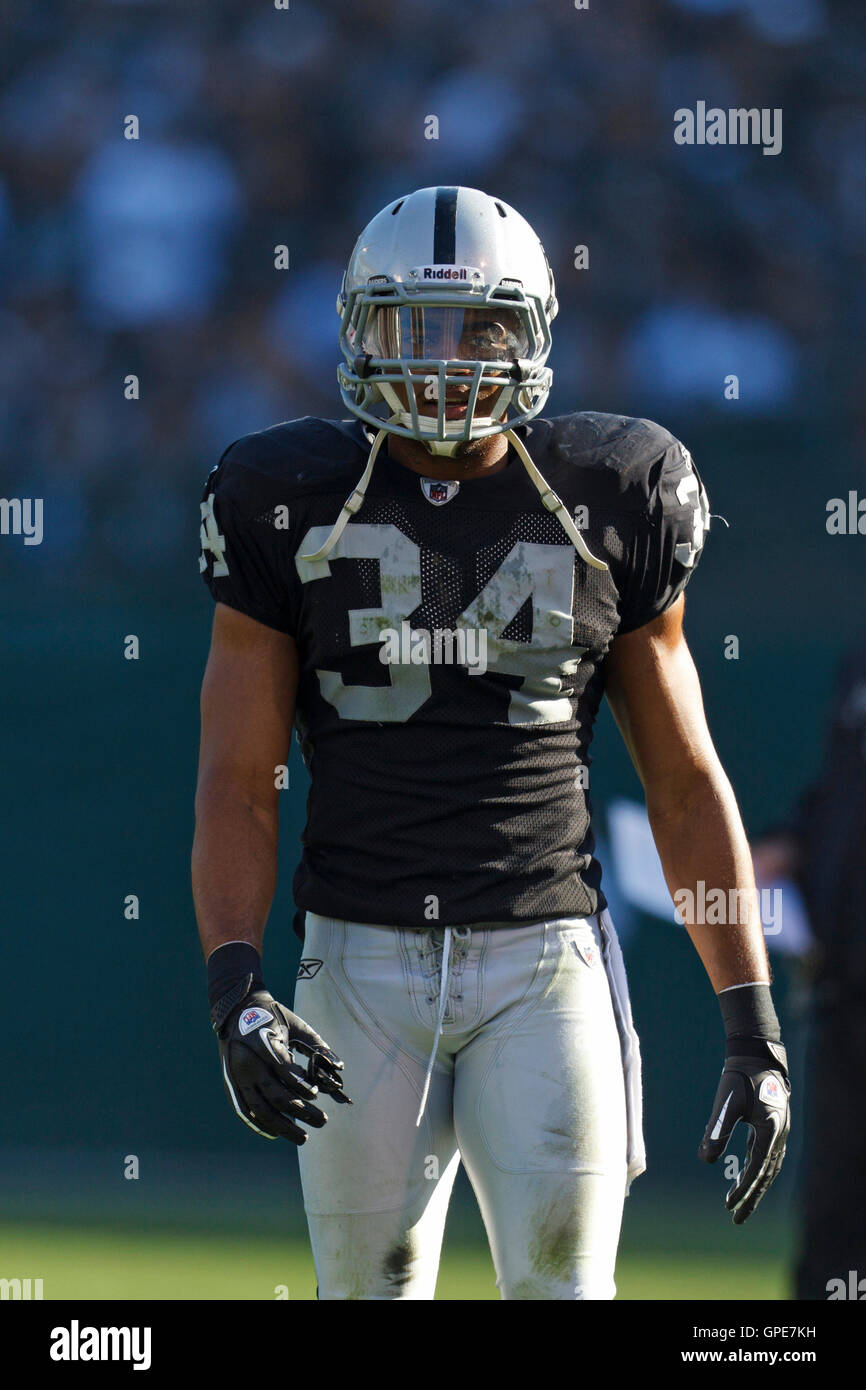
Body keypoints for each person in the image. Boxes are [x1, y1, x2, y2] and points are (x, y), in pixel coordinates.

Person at [192, 185, 790, 1301]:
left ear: (531, 333)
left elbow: (681, 779)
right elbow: (237, 779)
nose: (441, 362)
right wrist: (235, 987)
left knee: (565, 1292)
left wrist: (751, 1028)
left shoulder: (616, 489)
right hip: (355, 961)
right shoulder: (280, 493)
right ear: (359, 329)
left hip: (541, 957)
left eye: (475, 327)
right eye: (411, 325)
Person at [753, 638, 866, 1300]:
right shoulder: (856, 664)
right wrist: (792, 849)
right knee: (833, 1240)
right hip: (845, 1001)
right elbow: (838, 804)